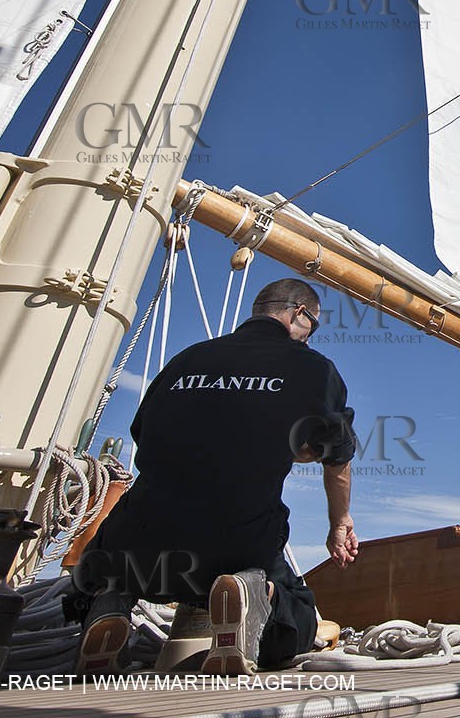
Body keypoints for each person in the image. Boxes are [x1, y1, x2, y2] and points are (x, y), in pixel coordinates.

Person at [67, 279, 359, 675]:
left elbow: (143, 433)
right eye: (314, 325)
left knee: (114, 571)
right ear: (299, 315)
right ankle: (249, 592)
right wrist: (339, 522)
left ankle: (111, 604)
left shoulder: (188, 359)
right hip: (235, 542)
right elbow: (336, 456)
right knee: (299, 616)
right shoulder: (312, 368)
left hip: (134, 544)